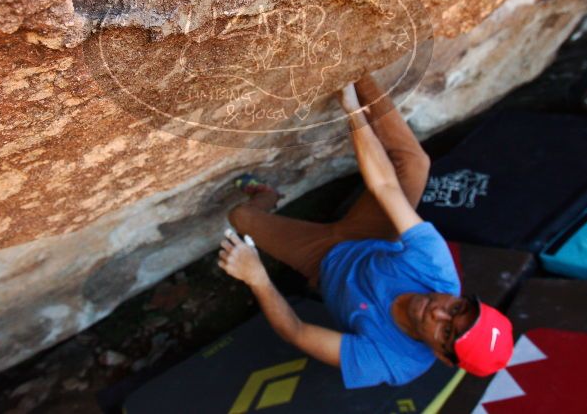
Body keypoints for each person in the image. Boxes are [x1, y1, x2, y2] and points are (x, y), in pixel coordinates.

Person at [218, 74, 513, 388]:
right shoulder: (439, 272)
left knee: (240, 216)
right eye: (456, 308)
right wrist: (353, 108)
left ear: (441, 356)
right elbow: (386, 186)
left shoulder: (392, 362)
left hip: (321, 262)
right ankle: (360, 72)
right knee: (415, 164)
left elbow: (296, 331)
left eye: (447, 332)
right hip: (372, 235)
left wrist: (257, 277)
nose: (439, 311)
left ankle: (266, 196)